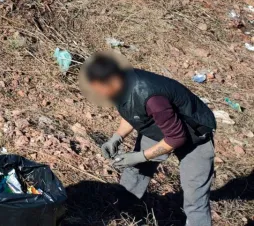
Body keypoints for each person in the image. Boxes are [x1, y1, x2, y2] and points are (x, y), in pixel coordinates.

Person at [83, 54, 217, 226]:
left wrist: (140, 156)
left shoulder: (152, 98)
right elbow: (133, 113)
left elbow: (176, 138)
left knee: (195, 196)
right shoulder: (121, 85)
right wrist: (117, 137)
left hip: (195, 136)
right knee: (135, 172)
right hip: (158, 128)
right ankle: (123, 215)